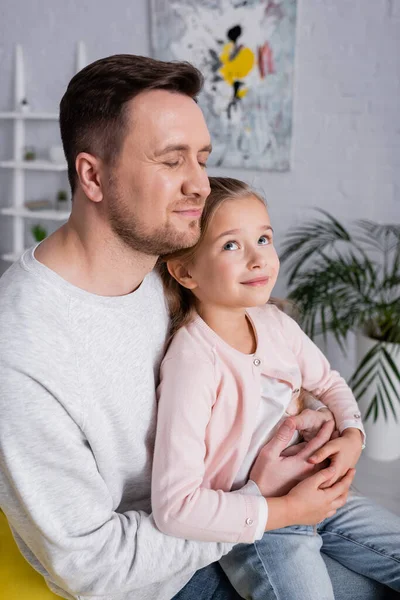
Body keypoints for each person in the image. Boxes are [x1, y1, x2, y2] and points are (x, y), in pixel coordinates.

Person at [0, 54, 393, 600]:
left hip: (254, 499)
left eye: (202, 159)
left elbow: (259, 365)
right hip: (166, 567)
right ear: (92, 175)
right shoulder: (22, 347)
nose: (201, 186)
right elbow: (91, 567)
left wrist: (318, 426)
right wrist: (264, 504)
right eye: (171, 161)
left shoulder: (168, 269)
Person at [152, 176, 400, 599]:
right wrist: (284, 511)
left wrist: (353, 436)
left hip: (321, 492)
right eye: (231, 245)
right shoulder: (193, 364)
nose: (258, 258)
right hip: (262, 529)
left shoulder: (274, 323)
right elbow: (175, 508)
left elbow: (330, 381)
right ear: (185, 270)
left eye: (264, 238)